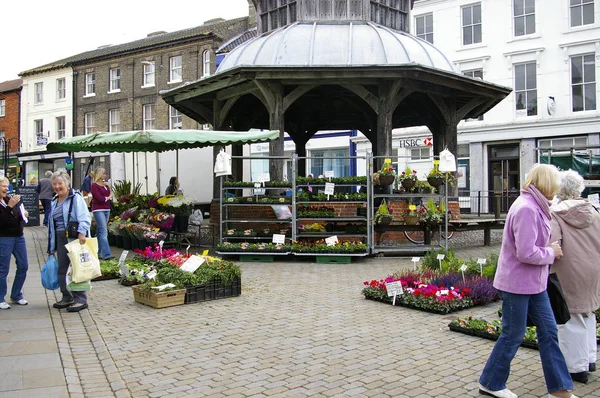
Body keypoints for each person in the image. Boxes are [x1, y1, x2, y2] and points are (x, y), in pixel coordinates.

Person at [479, 164, 577, 398]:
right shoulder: (527, 209)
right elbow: (526, 253)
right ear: (546, 183)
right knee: (513, 334)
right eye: (555, 183)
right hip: (517, 285)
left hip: (535, 284)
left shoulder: (537, 205)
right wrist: (552, 252)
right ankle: (491, 382)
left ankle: (560, 389)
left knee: (549, 331)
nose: (557, 188)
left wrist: (548, 252)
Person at [550, 170, 600, 384]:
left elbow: (553, 245)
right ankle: (589, 359)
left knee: (569, 319)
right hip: (593, 269)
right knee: (587, 313)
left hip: (568, 270)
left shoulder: (556, 214)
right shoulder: (594, 211)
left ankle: (576, 368)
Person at [48, 171, 91, 312]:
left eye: (60, 183)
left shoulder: (75, 198)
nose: (57, 186)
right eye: (54, 184)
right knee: (62, 268)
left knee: (77, 268)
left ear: (67, 184)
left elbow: (84, 217)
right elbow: (51, 224)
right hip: (60, 237)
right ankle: (66, 296)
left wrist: (82, 233)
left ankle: (80, 299)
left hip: (74, 237)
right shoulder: (54, 200)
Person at [0, 177, 29, 310]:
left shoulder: (7, 199)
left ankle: (16, 294)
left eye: (7, 186)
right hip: (4, 238)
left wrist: (23, 214)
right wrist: (10, 207)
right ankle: (0, 297)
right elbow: (2, 221)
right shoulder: (7, 203)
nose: (7, 189)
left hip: (19, 237)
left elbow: (15, 215)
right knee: (3, 269)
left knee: (23, 265)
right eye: (4, 186)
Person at [90, 167, 114, 260]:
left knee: (100, 232)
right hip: (98, 209)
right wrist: (108, 198)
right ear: (99, 175)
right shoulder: (94, 186)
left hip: (106, 208)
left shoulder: (105, 185)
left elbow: (110, 194)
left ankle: (97, 252)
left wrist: (109, 188)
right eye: (103, 173)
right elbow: (100, 198)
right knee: (104, 231)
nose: (105, 175)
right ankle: (107, 254)